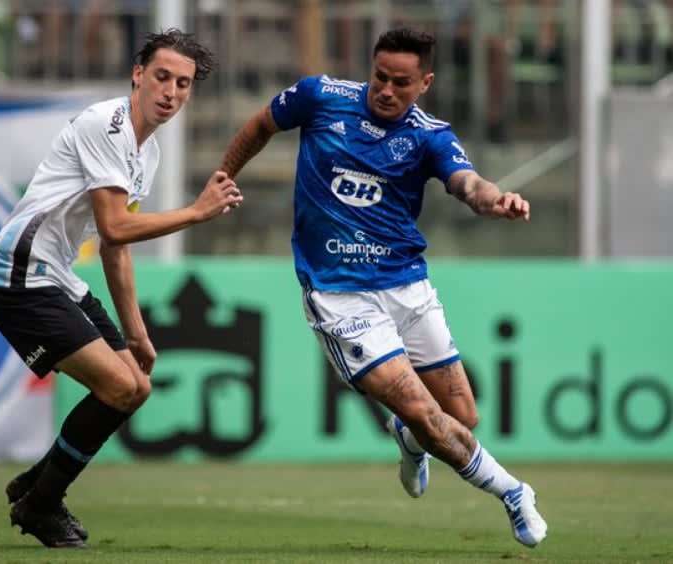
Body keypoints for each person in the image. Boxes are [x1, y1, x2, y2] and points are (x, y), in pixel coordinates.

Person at [218, 27, 547, 548]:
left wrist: (496, 199)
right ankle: (512, 491)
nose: (386, 90)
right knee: (423, 411)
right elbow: (262, 123)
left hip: (406, 286)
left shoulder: (430, 135)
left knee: (461, 418)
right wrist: (223, 174)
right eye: (379, 76)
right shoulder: (321, 97)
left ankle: (409, 442)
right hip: (339, 292)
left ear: (425, 83)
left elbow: (467, 184)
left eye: (401, 82)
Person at [0, 29, 242, 548]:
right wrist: (196, 211)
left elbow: (115, 248)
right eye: (162, 76)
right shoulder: (107, 124)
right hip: (16, 276)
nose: (171, 92)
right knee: (119, 388)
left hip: (55, 275)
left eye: (183, 84)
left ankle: (38, 486)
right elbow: (116, 227)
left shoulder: (148, 152)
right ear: (138, 74)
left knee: (135, 386)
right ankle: (40, 505)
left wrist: (136, 333)